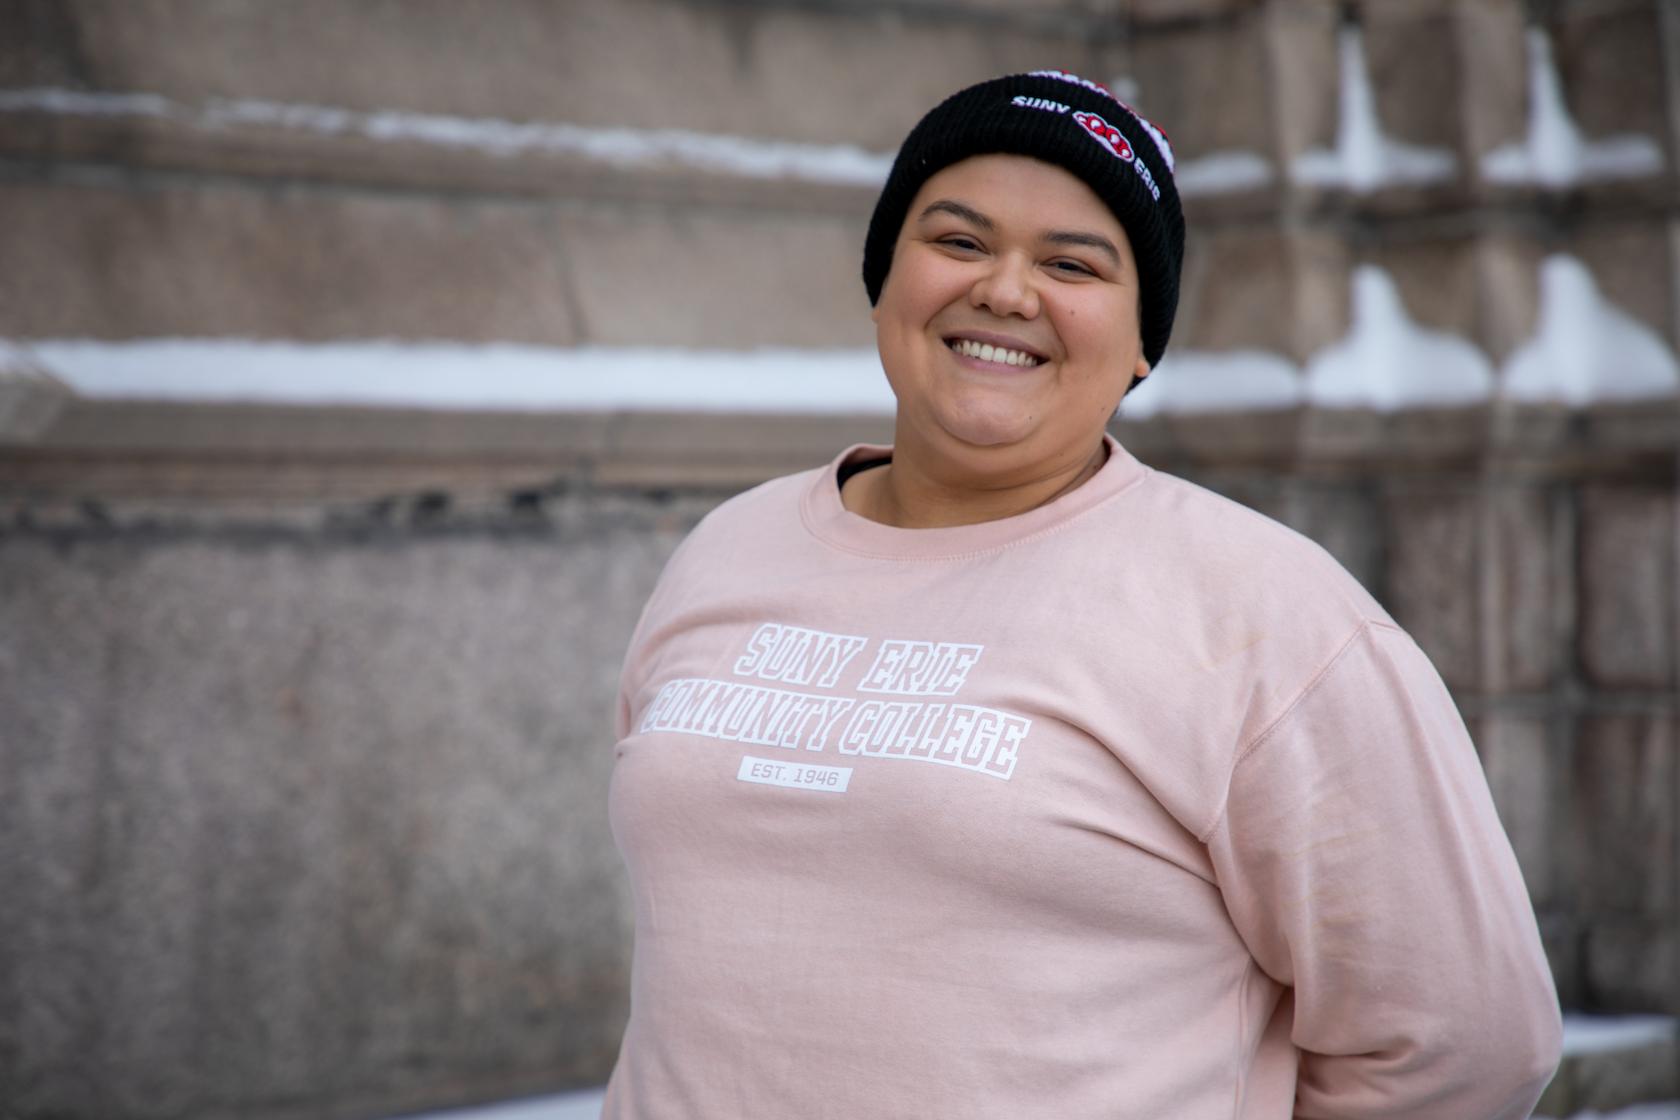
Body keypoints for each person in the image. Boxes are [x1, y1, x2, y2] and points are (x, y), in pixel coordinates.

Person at [604, 71, 1562, 1119]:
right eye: (959, 241)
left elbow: (1465, 1039)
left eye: (1072, 263)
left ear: (1144, 341)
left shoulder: (1265, 612)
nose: (1007, 292)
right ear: (885, 278)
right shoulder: (728, 549)